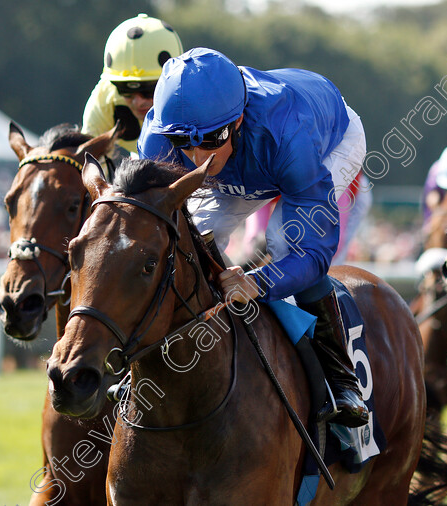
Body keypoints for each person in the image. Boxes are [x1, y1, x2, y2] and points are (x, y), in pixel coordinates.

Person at [138, 47, 369, 427]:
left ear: (239, 119)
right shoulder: (162, 136)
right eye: (184, 143)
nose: (198, 158)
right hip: (252, 154)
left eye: (211, 139)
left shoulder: (287, 135)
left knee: (283, 239)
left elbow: (314, 254)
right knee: (195, 231)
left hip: (329, 138)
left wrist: (257, 282)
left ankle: (341, 378)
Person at [82, 13, 183, 161]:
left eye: (148, 90)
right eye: (125, 90)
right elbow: (91, 163)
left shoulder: (192, 97)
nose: (138, 102)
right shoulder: (105, 98)